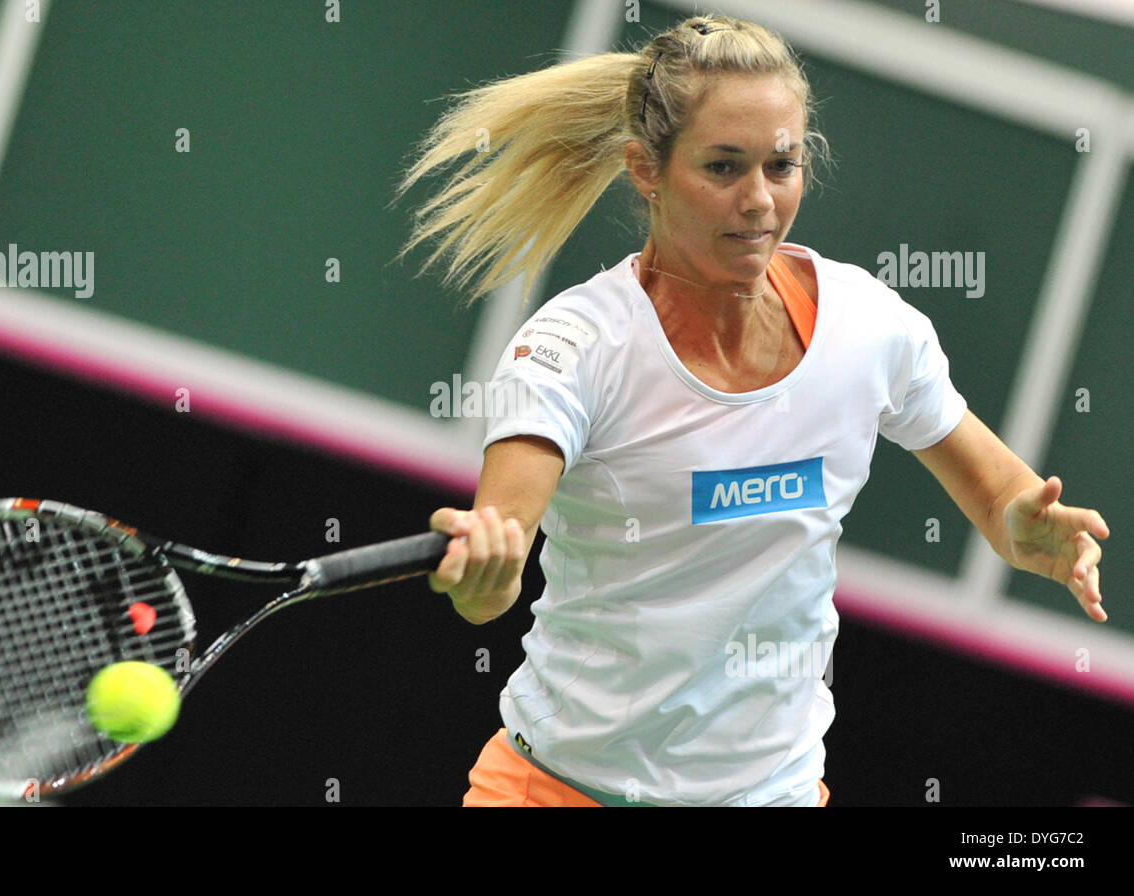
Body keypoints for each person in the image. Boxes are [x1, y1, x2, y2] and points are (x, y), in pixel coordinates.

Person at [395, 14, 1109, 807]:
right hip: (559, 790)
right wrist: (483, 573)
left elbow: (999, 495)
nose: (759, 201)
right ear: (647, 170)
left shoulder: (872, 330)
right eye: (724, 167)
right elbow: (494, 568)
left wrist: (1019, 526)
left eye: (781, 165)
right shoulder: (572, 346)